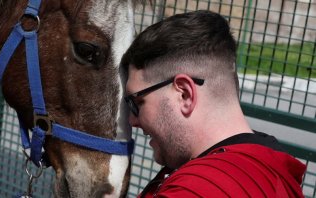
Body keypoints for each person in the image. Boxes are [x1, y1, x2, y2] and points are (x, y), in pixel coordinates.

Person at [121, 10, 306, 197]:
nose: (132, 121)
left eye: (137, 102)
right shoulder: (271, 166)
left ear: (184, 94)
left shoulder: (196, 190)